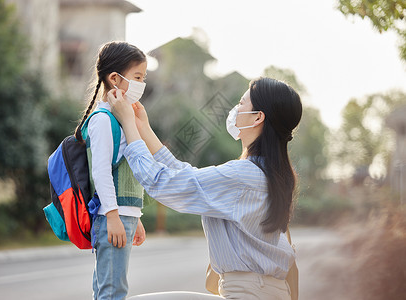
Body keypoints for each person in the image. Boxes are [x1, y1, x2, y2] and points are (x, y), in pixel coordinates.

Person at [108, 77, 302, 300]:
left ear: (258, 117)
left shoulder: (243, 175)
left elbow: (163, 183)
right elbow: (186, 176)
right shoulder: (273, 175)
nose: (236, 109)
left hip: (246, 293)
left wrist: (128, 124)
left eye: (241, 103)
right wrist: (143, 128)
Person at [74, 41, 148, 300]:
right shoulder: (103, 119)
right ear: (115, 78)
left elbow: (126, 172)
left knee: (109, 288)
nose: (142, 83)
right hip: (111, 216)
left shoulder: (118, 118)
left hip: (122, 214)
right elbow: (102, 173)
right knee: (112, 291)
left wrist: (135, 216)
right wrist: (114, 216)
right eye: (137, 77)